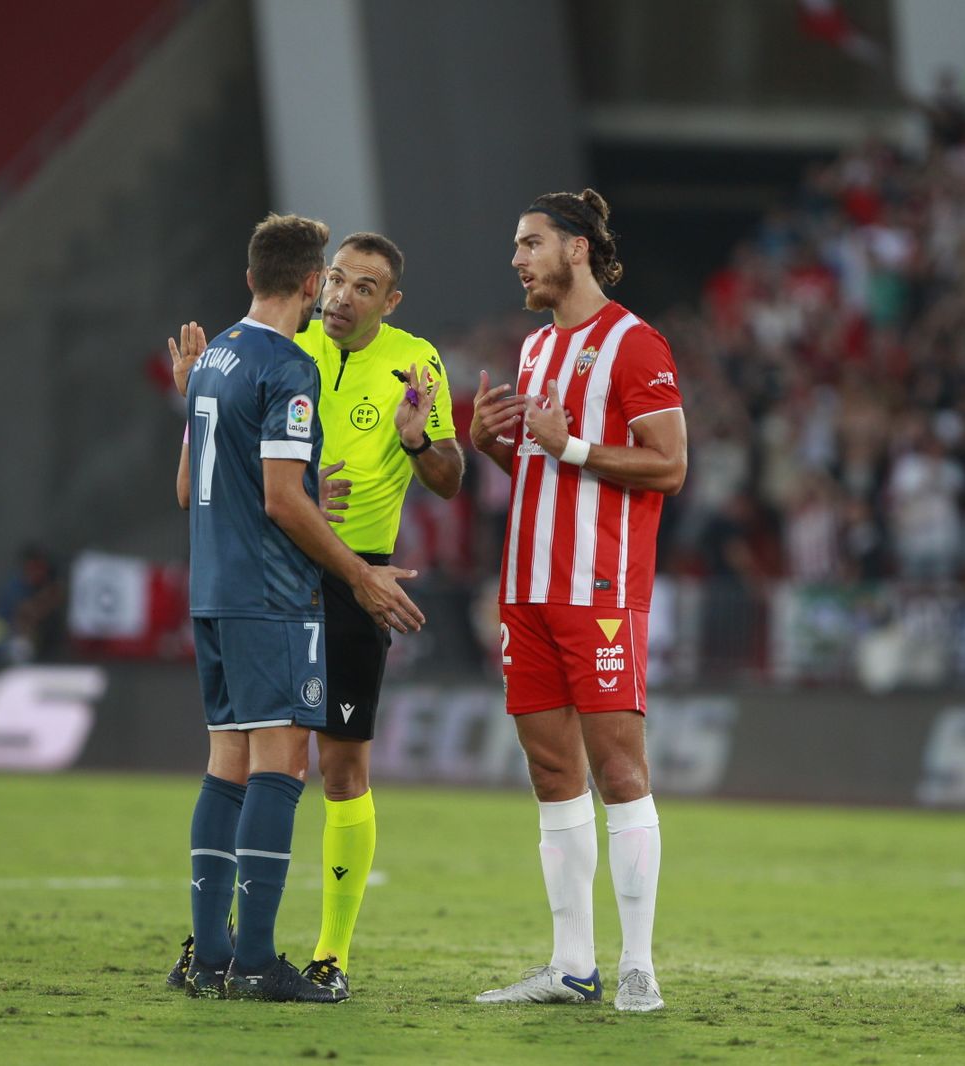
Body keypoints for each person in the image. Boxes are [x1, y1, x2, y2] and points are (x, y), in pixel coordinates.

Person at [168, 231, 462, 1001]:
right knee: (268, 762)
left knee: (336, 768)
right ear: (313, 282)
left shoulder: (414, 361)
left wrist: (418, 440)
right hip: (289, 571)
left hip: (339, 573)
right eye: (335, 280)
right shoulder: (288, 354)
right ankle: (235, 948)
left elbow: (449, 478)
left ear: (390, 302)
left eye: (364, 287)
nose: (342, 297)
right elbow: (272, 489)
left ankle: (326, 951)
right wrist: (301, 501)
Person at [468, 189, 687, 1012]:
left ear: (577, 249)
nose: (517, 259)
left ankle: (639, 967)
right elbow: (546, 468)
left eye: (531, 243)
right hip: (526, 589)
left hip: (599, 589)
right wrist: (495, 447)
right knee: (552, 772)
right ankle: (570, 966)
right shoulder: (534, 351)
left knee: (620, 771)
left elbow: (669, 466)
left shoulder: (635, 343)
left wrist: (572, 445)